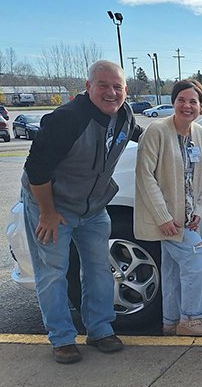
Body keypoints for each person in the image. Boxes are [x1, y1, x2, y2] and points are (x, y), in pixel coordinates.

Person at [22, 60, 142, 363]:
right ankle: (61, 338)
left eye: (117, 86)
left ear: (126, 90)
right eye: (103, 85)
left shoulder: (125, 116)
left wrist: (185, 128)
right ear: (88, 87)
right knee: (53, 273)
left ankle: (100, 330)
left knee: (100, 270)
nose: (111, 92)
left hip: (94, 207)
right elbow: (36, 169)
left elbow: (144, 136)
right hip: (52, 206)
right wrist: (47, 212)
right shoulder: (66, 119)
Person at [134, 80, 202, 337]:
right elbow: (145, 176)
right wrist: (163, 216)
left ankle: (170, 322)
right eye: (181, 100)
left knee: (171, 268)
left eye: (193, 101)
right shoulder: (156, 131)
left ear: (201, 106)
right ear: (173, 102)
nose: (187, 106)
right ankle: (191, 319)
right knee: (197, 255)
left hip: (188, 217)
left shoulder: (199, 134)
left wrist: (199, 210)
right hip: (168, 219)